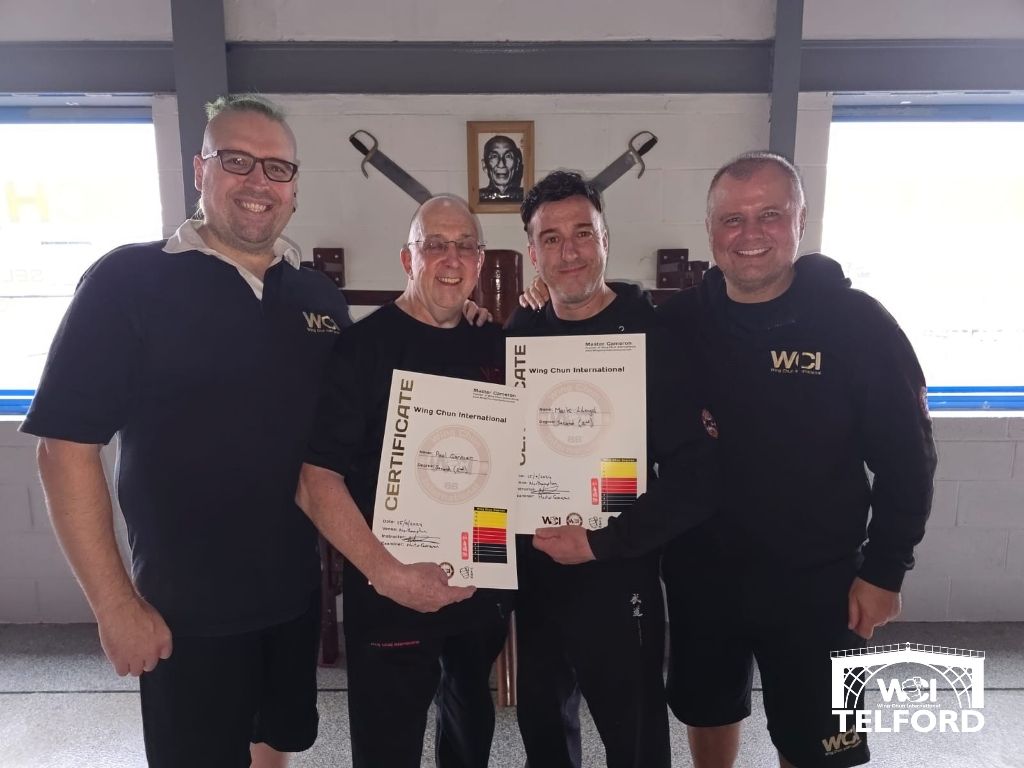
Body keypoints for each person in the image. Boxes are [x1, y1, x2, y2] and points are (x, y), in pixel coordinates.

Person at [20, 94, 466, 768]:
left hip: (291, 597)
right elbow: (64, 450)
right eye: (238, 161)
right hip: (183, 611)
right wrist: (114, 605)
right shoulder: (129, 281)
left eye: (277, 168)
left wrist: (460, 319)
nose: (259, 181)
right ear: (200, 168)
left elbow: (338, 442)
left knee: (273, 746)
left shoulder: (315, 297)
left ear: (294, 188)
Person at [536, 152, 937, 768]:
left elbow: (908, 457)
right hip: (703, 579)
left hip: (818, 584)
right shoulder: (679, 323)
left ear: (800, 220)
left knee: (819, 748)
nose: (750, 234)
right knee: (708, 710)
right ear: (710, 229)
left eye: (769, 215)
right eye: (732, 219)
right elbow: (599, 333)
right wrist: (533, 301)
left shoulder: (858, 324)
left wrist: (886, 569)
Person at [508, 170, 717, 768]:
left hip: (618, 574)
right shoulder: (522, 332)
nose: (568, 252)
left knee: (636, 741)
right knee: (544, 734)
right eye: (550, 238)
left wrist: (602, 543)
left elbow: (697, 476)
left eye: (583, 233)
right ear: (533, 253)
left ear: (605, 239)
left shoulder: (655, 337)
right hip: (536, 576)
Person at [297, 194, 513, 768]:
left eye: (464, 246)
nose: (451, 258)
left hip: (478, 584)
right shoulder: (360, 349)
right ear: (406, 259)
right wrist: (388, 573)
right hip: (388, 588)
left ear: (480, 261)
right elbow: (316, 481)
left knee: (469, 731)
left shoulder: (495, 346)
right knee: (388, 747)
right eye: (434, 244)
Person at [479, 134, 524, 203]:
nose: (501, 164)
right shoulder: (478, 196)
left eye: (508, 156)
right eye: (494, 156)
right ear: (484, 165)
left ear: (517, 163)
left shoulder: (526, 197)